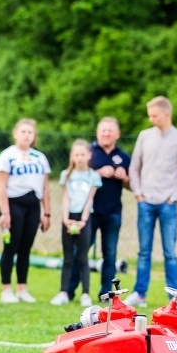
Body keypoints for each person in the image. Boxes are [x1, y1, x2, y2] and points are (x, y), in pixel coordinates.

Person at [124, 96, 177, 309]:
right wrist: (138, 194)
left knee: (169, 253)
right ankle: (139, 294)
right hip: (145, 202)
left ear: (166, 114)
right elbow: (134, 168)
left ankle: (175, 299)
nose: (150, 118)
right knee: (144, 252)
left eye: (154, 115)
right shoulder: (144, 136)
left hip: (167, 205)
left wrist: (174, 197)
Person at [66, 117, 130, 302]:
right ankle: (69, 291)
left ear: (117, 134)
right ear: (97, 132)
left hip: (113, 212)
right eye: (103, 130)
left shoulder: (124, 157)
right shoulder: (88, 153)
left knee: (110, 255)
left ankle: (105, 294)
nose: (106, 133)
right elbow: (73, 175)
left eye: (110, 130)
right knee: (81, 251)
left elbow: (131, 185)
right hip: (89, 213)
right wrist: (97, 173)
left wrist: (125, 178)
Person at [0, 118, 52, 303]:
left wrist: (47, 213)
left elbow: (45, 188)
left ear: (34, 136)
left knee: (25, 249)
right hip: (13, 205)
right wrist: (5, 213)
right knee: (11, 247)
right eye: (23, 132)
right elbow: (1, 187)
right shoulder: (7, 156)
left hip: (32, 205)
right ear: (15, 134)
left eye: (30, 132)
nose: (26, 135)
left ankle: (22, 288)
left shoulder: (40, 157)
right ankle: (6, 289)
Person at [50, 140, 102, 306]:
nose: (79, 158)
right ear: (72, 157)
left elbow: (90, 199)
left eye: (82, 154)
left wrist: (83, 221)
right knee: (68, 257)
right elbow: (65, 197)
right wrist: (65, 219)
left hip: (84, 218)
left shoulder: (93, 176)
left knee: (82, 257)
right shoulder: (66, 175)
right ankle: (63, 292)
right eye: (76, 155)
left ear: (88, 155)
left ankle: (85, 293)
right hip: (68, 217)